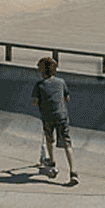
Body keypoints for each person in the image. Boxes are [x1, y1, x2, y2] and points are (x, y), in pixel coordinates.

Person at [32, 56, 78, 185]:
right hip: (61, 116)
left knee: (49, 139)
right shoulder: (61, 82)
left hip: (47, 117)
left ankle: (52, 164)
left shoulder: (39, 85)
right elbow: (67, 98)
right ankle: (73, 172)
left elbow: (35, 102)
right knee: (67, 144)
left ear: (42, 71)